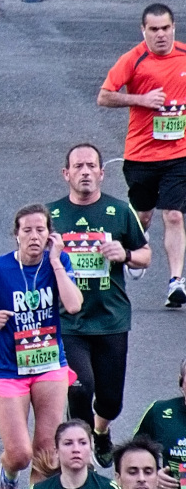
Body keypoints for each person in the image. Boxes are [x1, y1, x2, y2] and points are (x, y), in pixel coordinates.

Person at [0, 205, 84, 489]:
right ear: (16, 235)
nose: (34, 236)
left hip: (49, 365)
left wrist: (58, 262)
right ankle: (8, 475)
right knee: (20, 453)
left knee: (47, 453)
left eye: (41, 230)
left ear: (50, 235)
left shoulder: (58, 263)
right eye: (27, 230)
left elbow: (73, 306)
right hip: (7, 368)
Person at [50, 142, 150, 461]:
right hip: (68, 321)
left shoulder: (120, 211)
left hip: (110, 319)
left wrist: (127, 254)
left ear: (102, 174)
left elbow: (146, 255)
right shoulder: (52, 215)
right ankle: (81, 453)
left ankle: (101, 430)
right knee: (79, 388)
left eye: (91, 166)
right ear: (66, 174)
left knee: (110, 401)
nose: (85, 172)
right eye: (78, 167)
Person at [99, 2, 186, 309]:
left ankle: (176, 281)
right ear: (143, 31)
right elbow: (104, 95)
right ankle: (136, 248)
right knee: (143, 215)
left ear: (173, 28)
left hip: (179, 153)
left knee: (174, 214)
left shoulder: (184, 55)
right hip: (141, 154)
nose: (160, 35)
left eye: (166, 28)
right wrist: (142, 99)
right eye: (154, 29)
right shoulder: (134, 59)